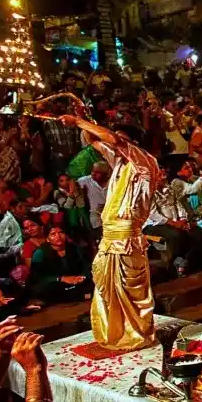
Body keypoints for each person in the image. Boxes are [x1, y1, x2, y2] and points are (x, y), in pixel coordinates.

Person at [58, 115, 162, 351]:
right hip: (109, 236)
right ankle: (115, 332)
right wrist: (84, 118)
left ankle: (136, 334)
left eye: (122, 141)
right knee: (106, 288)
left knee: (130, 289)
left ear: (134, 144)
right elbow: (92, 139)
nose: (114, 144)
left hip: (127, 238)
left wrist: (78, 121)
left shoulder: (144, 162)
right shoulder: (119, 163)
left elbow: (112, 139)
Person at [29, 226, 92, 303]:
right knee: (44, 289)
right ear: (48, 239)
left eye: (61, 233)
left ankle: (78, 296)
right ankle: (82, 296)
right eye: (53, 234)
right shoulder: (40, 253)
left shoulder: (75, 248)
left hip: (75, 282)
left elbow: (86, 267)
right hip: (56, 283)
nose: (58, 236)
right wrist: (61, 278)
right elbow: (37, 277)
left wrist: (82, 277)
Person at [77, 161, 110, 243]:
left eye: (97, 172)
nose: (93, 174)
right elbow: (71, 184)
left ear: (106, 174)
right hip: (95, 219)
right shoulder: (84, 181)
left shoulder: (114, 182)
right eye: (93, 171)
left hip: (111, 216)